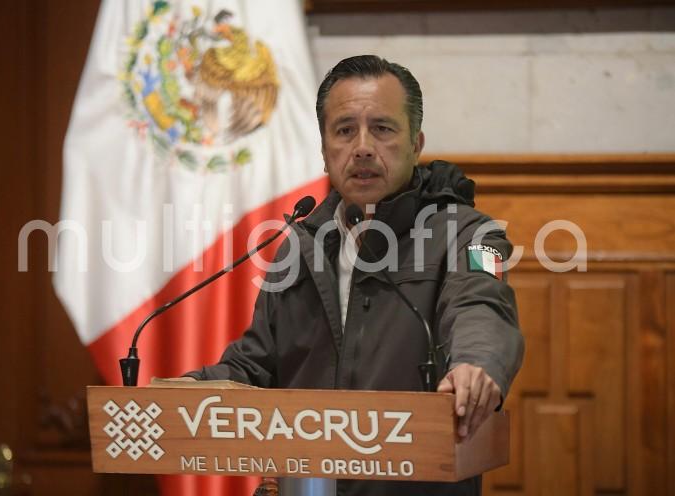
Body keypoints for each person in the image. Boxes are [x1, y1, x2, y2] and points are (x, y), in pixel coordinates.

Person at [184, 55, 524, 496]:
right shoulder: (300, 244)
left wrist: (476, 364)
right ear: (325, 151)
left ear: (416, 144)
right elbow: (257, 364)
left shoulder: (469, 234)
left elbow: (482, 305)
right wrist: (184, 391)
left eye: (382, 129)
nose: (363, 147)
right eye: (344, 131)